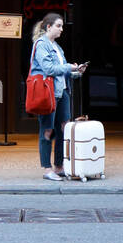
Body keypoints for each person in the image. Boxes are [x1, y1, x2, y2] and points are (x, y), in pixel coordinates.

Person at [30, 12, 85, 181]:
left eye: (61, 26)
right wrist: (69, 67)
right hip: (49, 93)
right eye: (58, 26)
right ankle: (47, 169)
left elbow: (62, 73)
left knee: (63, 129)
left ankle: (59, 166)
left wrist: (76, 71)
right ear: (48, 27)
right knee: (47, 130)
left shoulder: (57, 47)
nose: (61, 29)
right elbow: (49, 69)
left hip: (62, 92)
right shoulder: (41, 44)